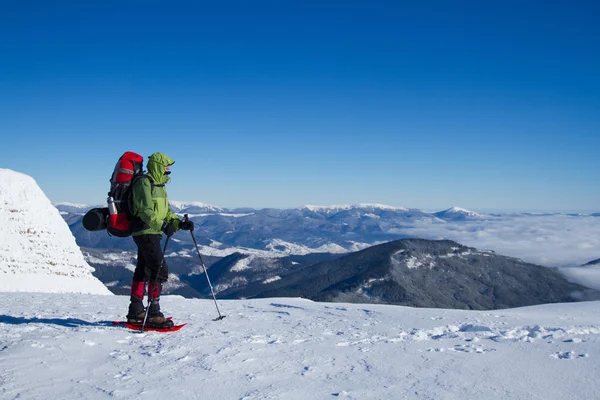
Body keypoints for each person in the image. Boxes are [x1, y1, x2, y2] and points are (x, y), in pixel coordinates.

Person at [126, 152, 194, 328]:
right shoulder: (144, 182)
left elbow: (166, 213)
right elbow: (145, 211)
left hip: (153, 231)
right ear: (157, 165)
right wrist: (163, 226)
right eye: (166, 167)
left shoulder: (160, 186)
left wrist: (179, 223)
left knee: (143, 269)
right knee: (159, 269)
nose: (168, 170)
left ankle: (136, 311)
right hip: (145, 230)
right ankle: (153, 313)